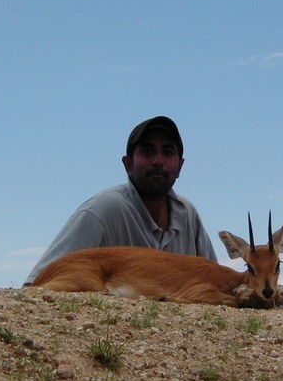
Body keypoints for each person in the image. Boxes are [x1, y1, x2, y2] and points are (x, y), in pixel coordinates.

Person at [23, 116, 217, 286]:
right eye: (148, 151)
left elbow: (217, 282)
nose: (158, 160)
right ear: (128, 165)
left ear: (180, 166)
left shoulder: (188, 214)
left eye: (167, 152)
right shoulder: (103, 209)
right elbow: (38, 283)